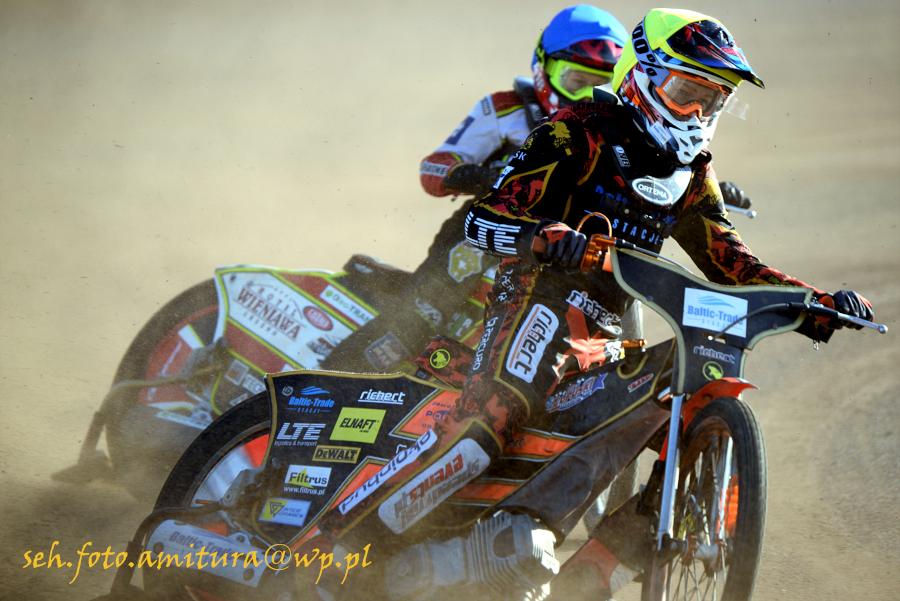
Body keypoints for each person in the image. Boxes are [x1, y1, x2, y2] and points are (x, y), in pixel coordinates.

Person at [318, 9, 874, 597]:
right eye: (685, 92)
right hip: (536, 302)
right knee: (491, 421)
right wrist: (541, 237)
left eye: (712, 101)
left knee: (684, 383)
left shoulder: (693, 174)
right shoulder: (576, 131)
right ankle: (340, 543)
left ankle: (585, 571)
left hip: (609, 335)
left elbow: (733, 262)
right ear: (642, 75)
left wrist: (815, 302)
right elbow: (485, 220)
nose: (696, 113)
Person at [322, 5, 750, 375]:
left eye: (600, 80)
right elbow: (433, 166)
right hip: (499, 231)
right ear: (542, 69)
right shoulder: (504, 109)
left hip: (577, 249)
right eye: (576, 80)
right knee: (427, 305)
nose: (586, 93)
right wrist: (475, 175)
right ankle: (327, 379)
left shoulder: (616, 129)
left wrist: (705, 196)